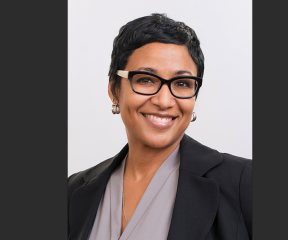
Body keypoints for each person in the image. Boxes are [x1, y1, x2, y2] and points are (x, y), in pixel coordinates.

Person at [68, 13, 252, 240]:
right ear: (114, 89)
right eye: (146, 79)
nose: (164, 101)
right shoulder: (74, 190)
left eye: (182, 83)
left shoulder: (244, 182)